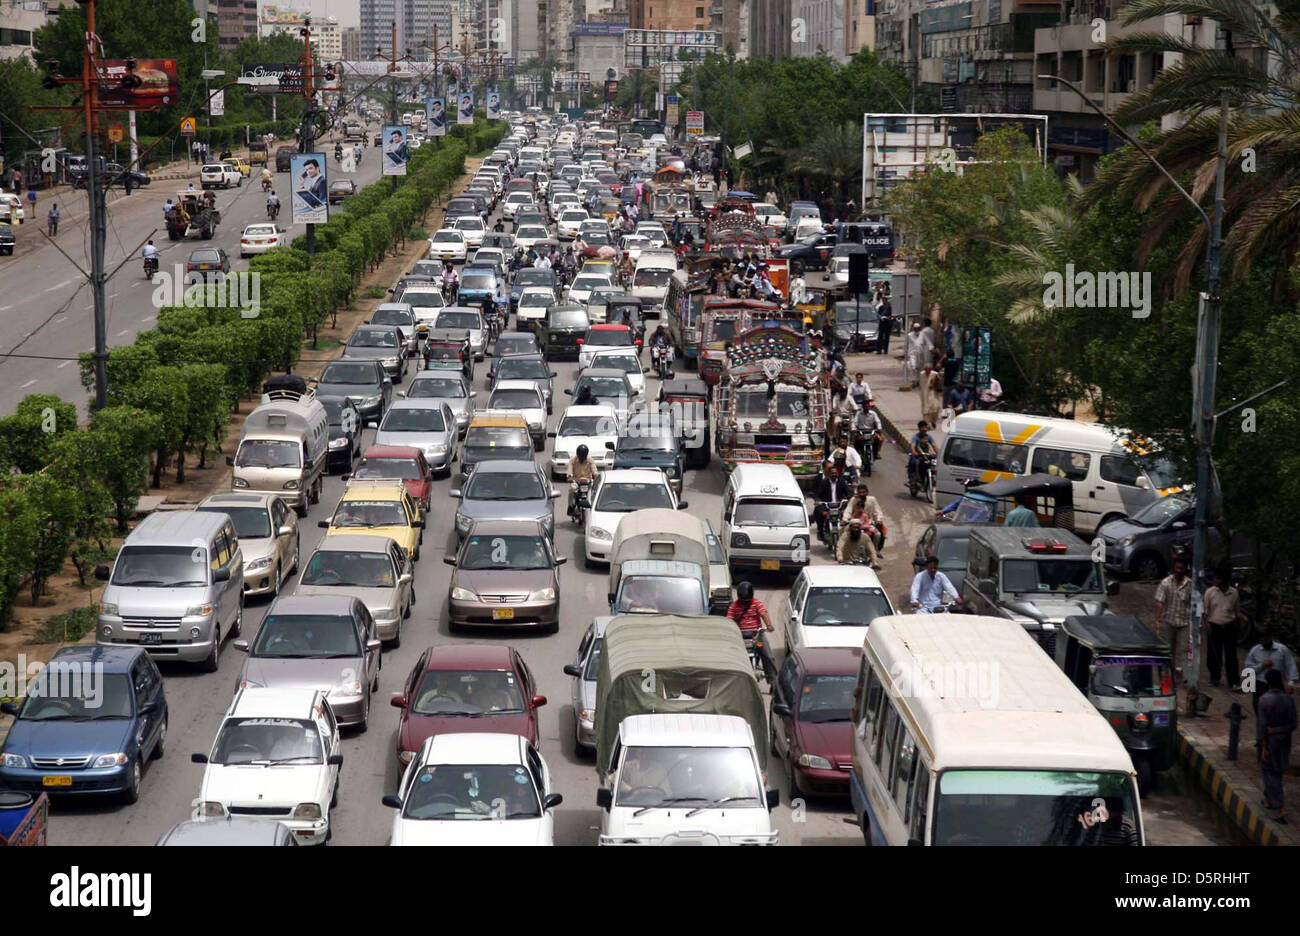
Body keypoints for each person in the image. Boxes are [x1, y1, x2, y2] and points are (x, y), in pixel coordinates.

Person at [1258, 667, 1297, 822]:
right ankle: (1269, 799)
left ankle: (1280, 807)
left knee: (1270, 773)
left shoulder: (1265, 700)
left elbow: (1262, 728)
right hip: (1285, 741)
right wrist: (1280, 730)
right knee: (1278, 770)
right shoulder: (1289, 699)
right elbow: (1294, 724)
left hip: (1271, 742)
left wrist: (1263, 747)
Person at [1154, 556, 1193, 686]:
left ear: (1185, 569)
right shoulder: (1166, 583)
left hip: (1184, 622)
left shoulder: (1190, 584)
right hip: (1169, 621)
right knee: (1168, 650)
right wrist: (1157, 620)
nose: (1179, 570)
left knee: (1185, 649)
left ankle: (1184, 676)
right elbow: (1160, 602)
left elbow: (1195, 603)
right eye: (1177, 568)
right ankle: (1167, 678)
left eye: (1181, 568)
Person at [1243, 628, 1299, 714]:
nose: (1264, 643)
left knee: (1278, 709)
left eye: (1266, 640)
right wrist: (1262, 666)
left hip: (1278, 684)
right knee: (1258, 706)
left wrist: (1291, 684)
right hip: (1260, 683)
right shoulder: (1255, 650)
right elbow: (1248, 670)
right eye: (1262, 641)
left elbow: (1291, 665)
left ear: (1270, 638)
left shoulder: (1282, 649)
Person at [1204, 569, 1245, 688]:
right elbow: (1205, 611)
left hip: (1229, 626)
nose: (1216, 581)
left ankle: (1233, 681)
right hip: (1214, 626)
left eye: (1219, 579)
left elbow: (1237, 611)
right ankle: (1214, 677)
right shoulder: (1210, 592)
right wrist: (1207, 625)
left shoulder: (1234, 593)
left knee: (1231, 656)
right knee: (1213, 654)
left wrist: (1239, 625)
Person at [812, 461, 850, 542]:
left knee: (848, 516)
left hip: (839, 505)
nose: (834, 475)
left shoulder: (841, 481)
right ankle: (821, 532)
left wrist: (850, 498)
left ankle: (848, 535)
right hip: (827, 505)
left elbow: (848, 492)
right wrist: (817, 500)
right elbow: (818, 494)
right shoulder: (823, 482)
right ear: (829, 474)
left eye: (835, 473)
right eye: (832, 473)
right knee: (819, 512)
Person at [567, 443, 599, 516]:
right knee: (572, 489)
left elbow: (595, 472)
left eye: (583, 457)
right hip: (576, 481)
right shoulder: (573, 460)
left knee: (594, 492)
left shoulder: (590, 460)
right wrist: (570, 478)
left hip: (588, 482)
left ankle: (594, 507)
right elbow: (569, 473)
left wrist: (596, 477)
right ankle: (570, 506)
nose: (581, 458)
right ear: (577, 454)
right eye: (580, 456)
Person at [903, 320, 932, 388]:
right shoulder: (909, 335)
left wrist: (931, 348)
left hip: (920, 354)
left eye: (918, 328)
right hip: (912, 353)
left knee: (919, 368)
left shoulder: (923, 334)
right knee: (913, 367)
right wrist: (905, 353)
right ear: (913, 329)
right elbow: (906, 344)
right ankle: (914, 380)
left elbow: (928, 342)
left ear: (920, 328)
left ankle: (918, 381)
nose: (916, 330)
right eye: (915, 328)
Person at [908, 421, 937, 486]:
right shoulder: (915, 437)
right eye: (922, 427)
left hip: (926, 455)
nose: (924, 429)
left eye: (925, 427)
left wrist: (939, 454)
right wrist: (915, 453)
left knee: (933, 464)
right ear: (919, 428)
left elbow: (934, 445)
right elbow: (913, 446)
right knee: (914, 462)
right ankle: (912, 478)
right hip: (918, 455)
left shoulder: (928, 436)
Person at [920, 362, 943, 428]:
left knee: (935, 409)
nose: (927, 371)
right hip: (925, 394)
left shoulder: (934, 374)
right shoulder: (921, 374)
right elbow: (921, 384)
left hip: (934, 394)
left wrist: (934, 382)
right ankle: (927, 424)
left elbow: (939, 383)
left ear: (931, 369)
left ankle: (933, 421)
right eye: (926, 370)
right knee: (926, 410)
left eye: (928, 370)